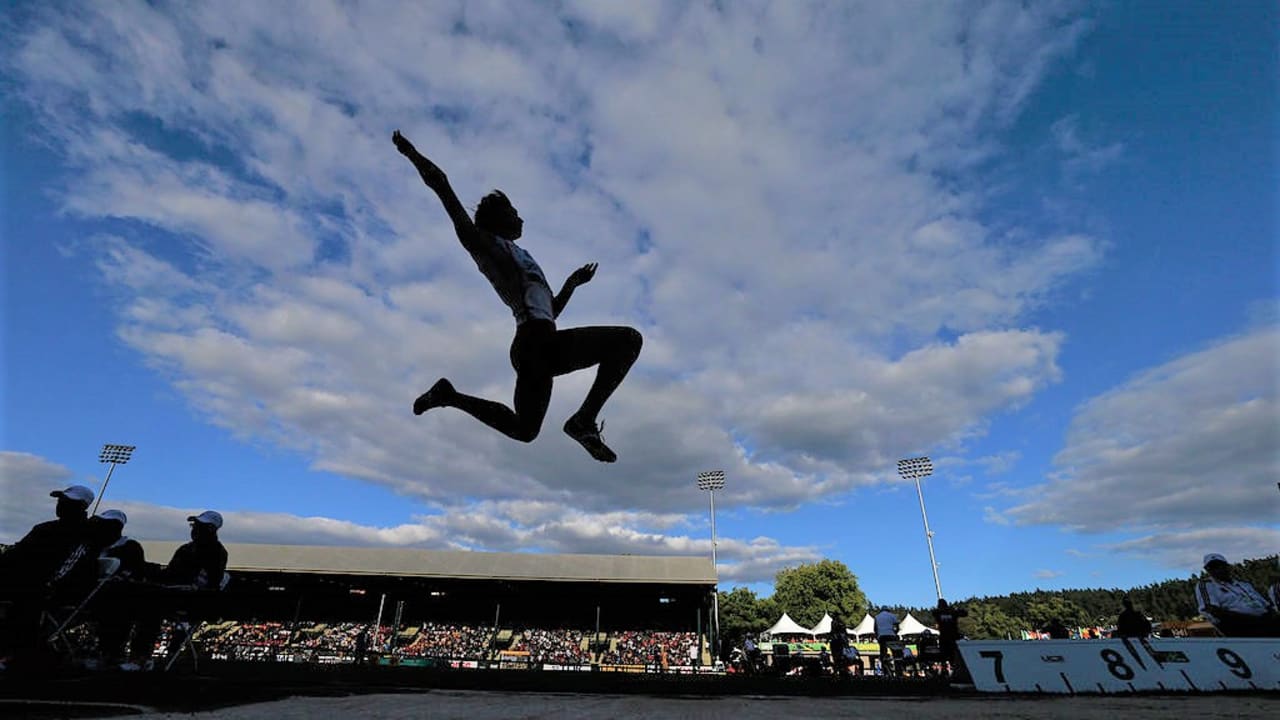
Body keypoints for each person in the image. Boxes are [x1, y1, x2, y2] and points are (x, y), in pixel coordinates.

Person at [392, 130, 643, 463]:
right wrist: (411, 153)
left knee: (525, 431)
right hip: (533, 343)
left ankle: (449, 396)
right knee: (627, 340)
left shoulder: (523, 256)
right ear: (498, 219)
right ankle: (583, 421)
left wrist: (571, 284)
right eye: (514, 211)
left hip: (541, 345)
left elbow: (549, 311)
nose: (520, 217)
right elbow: (442, 185)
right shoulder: (485, 244)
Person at [0, 485, 97, 668]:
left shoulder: (85, 535)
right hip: (24, 582)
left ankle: (14, 654)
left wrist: (49, 585)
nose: (60, 504)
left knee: (24, 602)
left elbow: (69, 566)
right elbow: (14, 555)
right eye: (61, 501)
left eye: (67, 502)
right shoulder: (44, 528)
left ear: (81, 506)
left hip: (43, 588)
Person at [1196, 553, 1279, 637]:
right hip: (1238, 625)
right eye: (1212, 567)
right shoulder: (1207, 585)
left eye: (1219, 565)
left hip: (1264, 620)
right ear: (1207, 570)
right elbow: (1211, 610)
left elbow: (1266, 604)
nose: (1217, 570)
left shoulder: (1244, 585)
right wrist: (1248, 619)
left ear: (1227, 566)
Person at [934, 598, 968, 679]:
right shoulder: (952, 612)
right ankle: (953, 670)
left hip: (945, 636)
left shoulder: (938, 613)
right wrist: (954, 610)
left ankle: (945, 671)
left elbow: (934, 613)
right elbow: (964, 613)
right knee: (952, 655)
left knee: (944, 655)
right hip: (953, 636)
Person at [873, 607, 899, 676]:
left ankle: (885, 672)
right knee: (896, 653)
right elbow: (897, 626)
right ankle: (898, 671)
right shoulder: (892, 615)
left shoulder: (877, 617)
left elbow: (875, 629)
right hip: (891, 636)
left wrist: (877, 637)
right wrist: (895, 633)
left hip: (882, 637)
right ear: (888, 610)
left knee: (883, 654)